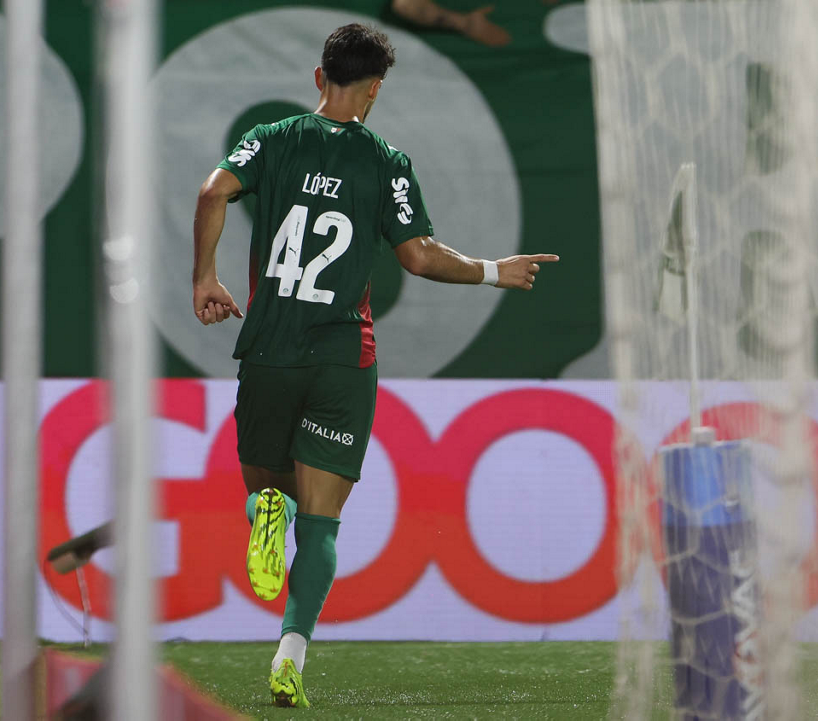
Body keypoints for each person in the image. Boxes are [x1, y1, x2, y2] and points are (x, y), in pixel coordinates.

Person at [190, 23, 558, 708]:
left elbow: (213, 192)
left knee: (270, 492)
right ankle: (290, 657)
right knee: (321, 524)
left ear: (318, 77)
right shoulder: (387, 162)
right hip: (341, 358)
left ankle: (265, 509)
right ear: (376, 89)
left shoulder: (272, 138)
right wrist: (492, 270)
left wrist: (205, 277)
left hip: (268, 347)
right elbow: (418, 256)